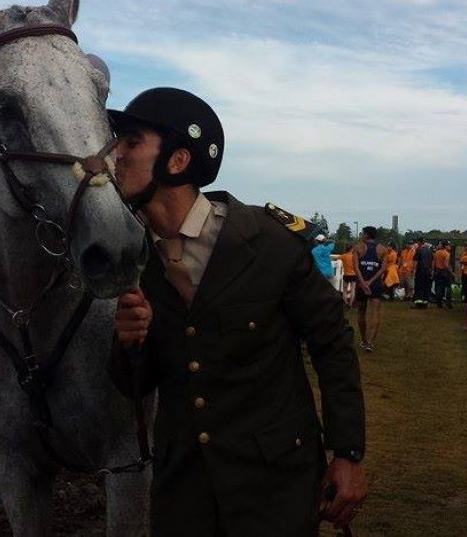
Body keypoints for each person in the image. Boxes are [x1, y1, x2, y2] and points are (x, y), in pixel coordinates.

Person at [107, 87, 366, 534]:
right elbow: (134, 385)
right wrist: (129, 343)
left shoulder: (268, 242)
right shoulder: (134, 262)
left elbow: (332, 345)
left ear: (177, 161)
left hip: (273, 488)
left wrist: (348, 454)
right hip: (183, 496)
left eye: (130, 142)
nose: (115, 155)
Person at [355, 226, 384, 351]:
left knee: (361, 311)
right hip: (375, 283)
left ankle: (364, 340)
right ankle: (371, 343)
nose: (361, 235)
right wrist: (370, 282)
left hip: (362, 284)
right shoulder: (383, 249)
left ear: (366, 234)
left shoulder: (358, 248)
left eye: (362, 233)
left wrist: (363, 282)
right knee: (375, 311)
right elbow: (383, 268)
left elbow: (356, 268)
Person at [432, 240, 454, 308]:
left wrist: (433, 270)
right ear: (446, 246)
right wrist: (451, 272)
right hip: (445, 272)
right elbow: (446, 265)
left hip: (438, 271)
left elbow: (433, 263)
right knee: (448, 287)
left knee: (439, 287)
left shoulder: (437, 253)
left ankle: (439, 303)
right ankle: (448, 303)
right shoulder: (447, 254)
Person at [413, 238, 434, 304]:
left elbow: (416, 262)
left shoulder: (419, 250)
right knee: (426, 287)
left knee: (419, 286)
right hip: (428, 271)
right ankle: (425, 301)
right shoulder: (429, 250)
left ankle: (419, 302)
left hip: (420, 271)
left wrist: (414, 270)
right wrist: (431, 270)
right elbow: (433, 262)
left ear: (419, 242)